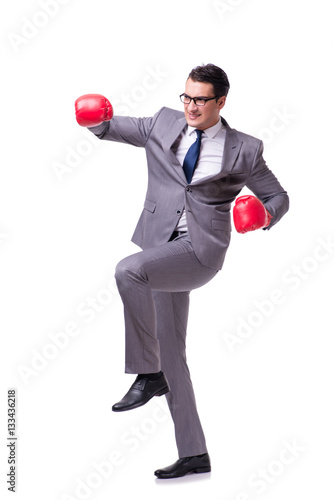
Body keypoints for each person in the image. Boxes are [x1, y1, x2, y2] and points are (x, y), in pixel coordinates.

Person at [74, 63, 289, 479]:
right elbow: (111, 126)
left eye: (201, 99)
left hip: (199, 252)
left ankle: (147, 372)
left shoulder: (244, 148)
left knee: (127, 271)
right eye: (187, 96)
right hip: (160, 248)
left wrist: (264, 215)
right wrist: (94, 120)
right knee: (175, 354)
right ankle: (194, 454)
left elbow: (277, 195)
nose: (191, 106)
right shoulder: (162, 122)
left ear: (221, 101)